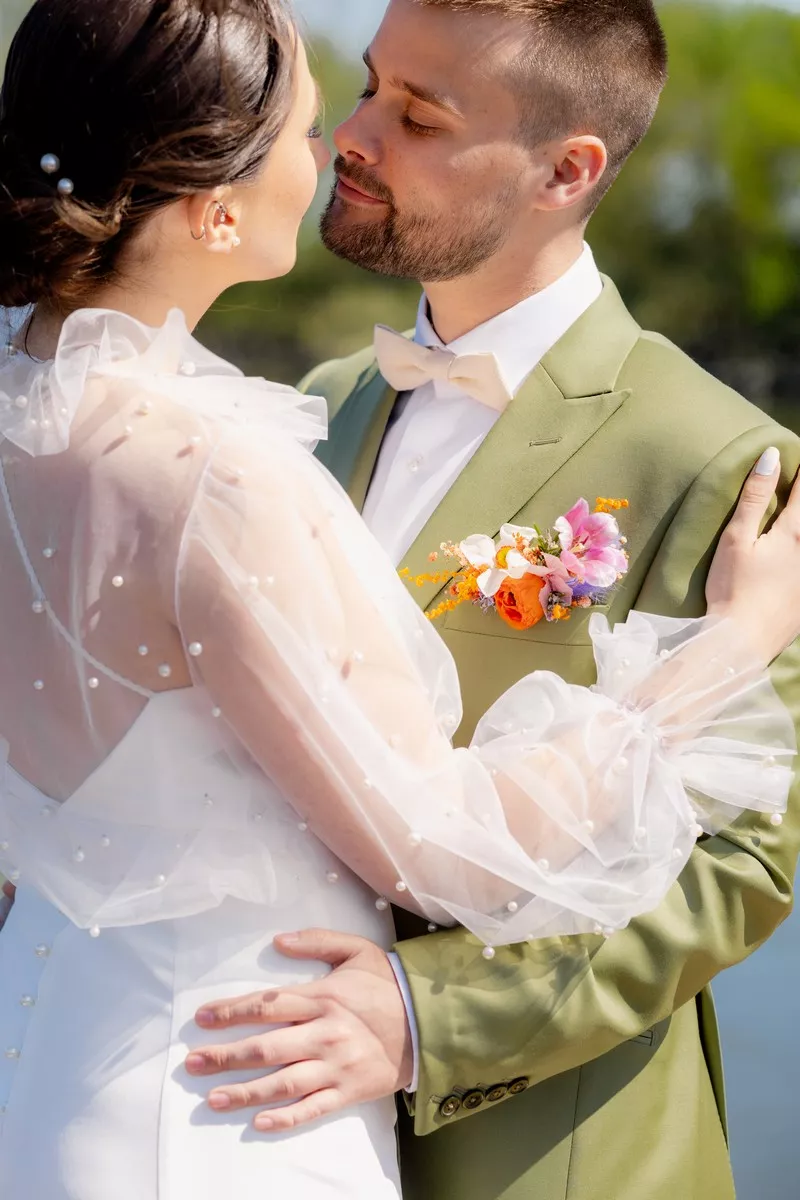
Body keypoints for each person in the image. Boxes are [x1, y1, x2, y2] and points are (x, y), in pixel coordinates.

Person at [0, 3, 796, 1200]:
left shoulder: (725, 461)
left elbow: (739, 859)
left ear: (564, 169)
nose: (354, 137)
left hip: (535, 1157)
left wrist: (427, 1018)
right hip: (215, 1095)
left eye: (417, 115)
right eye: (363, 89)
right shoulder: (302, 411)